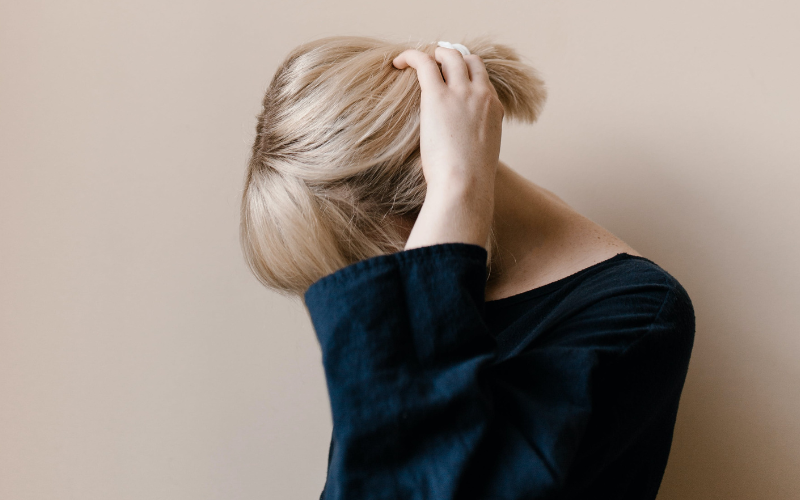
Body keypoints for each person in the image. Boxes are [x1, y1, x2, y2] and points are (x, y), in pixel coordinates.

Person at [241, 36, 695, 500]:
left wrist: (458, 185)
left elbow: (413, 482)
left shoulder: (638, 313)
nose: (370, 301)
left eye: (357, 266)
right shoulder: (412, 338)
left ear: (422, 204)